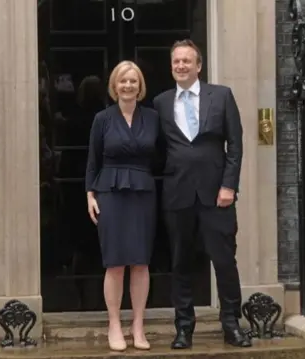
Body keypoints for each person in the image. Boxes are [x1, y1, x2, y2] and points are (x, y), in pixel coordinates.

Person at [152, 39, 252, 349]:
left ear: (198, 66)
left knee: (223, 261)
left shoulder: (221, 96)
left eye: (186, 61)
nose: (180, 65)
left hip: (216, 195)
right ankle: (184, 328)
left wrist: (229, 186)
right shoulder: (160, 102)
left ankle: (232, 324)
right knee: (181, 263)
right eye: (176, 61)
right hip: (177, 195)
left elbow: (235, 144)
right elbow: (156, 149)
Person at [85, 60, 159, 352]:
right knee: (115, 262)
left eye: (133, 81)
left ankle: (138, 325)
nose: (128, 86)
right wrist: (90, 194)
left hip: (143, 190)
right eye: (123, 81)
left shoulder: (153, 118)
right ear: (114, 86)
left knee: (141, 261)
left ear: (140, 86)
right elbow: (93, 159)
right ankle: (114, 324)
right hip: (111, 191)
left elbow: (165, 155)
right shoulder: (102, 119)